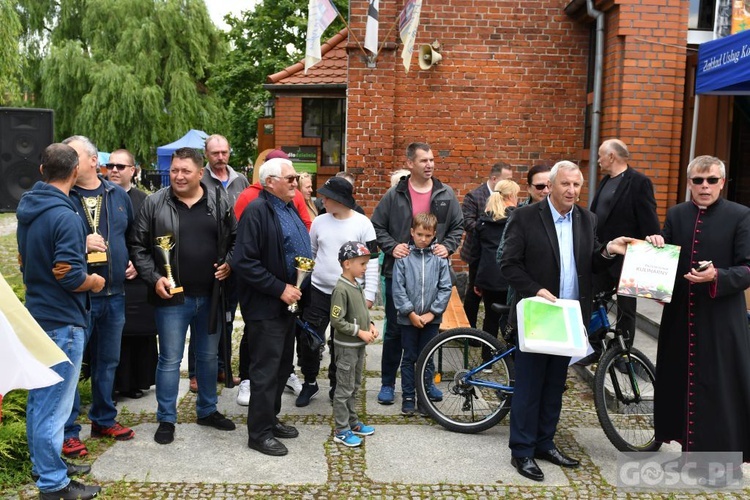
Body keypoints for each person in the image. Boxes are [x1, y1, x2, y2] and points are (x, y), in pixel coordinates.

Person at [500, 160, 630, 482]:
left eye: (577, 185)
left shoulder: (587, 219)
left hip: (571, 317)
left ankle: (544, 443)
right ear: (552, 186)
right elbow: (508, 263)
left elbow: (591, 263)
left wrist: (609, 251)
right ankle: (522, 451)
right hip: (539, 314)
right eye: (565, 184)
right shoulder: (526, 217)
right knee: (530, 385)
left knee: (555, 385)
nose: (572, 190)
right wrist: (535, 290)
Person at [646, 155, 750, 468]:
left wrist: (718, 275)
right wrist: (656, 244)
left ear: (722, 182)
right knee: (680, 382)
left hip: (720, 319)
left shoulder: (741, 215)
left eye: (712, 180)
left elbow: (747, 268)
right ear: (689, 182)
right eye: (698, 181)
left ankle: (720, 464)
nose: (705, 187)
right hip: (681, 316)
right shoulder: (677, 214)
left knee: (719, 389)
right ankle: (688, 454)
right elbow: (668, 251)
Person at [129, 147, 237, 445]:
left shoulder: (220, 200)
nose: (178, 176)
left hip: (211, 295)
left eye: (185, 171)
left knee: (208, 357)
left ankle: (207, 410)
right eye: (174, 170)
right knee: (169, 360)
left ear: (200, 173)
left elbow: (235, 239)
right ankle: (166, 418)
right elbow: (137, 247)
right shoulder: (154, 203)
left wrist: (229, 262)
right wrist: (153, 279)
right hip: (172, 298)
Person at [17, 143, 104, 500]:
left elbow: (26, 261)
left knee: (42, 403)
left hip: (37, 314)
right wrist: (95, 282)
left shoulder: (29, 209)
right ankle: (53, 484)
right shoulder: (65, 215)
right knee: (53, 408)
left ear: (41, 171)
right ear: (72, 174)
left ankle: (47, 464)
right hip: (62, 321)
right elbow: (68, 275)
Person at [371, 142, 464, 406]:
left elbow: (458, 226)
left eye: (432, 160)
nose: (430, 164)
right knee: (395, 333)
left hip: (431, 276)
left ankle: (426, 383)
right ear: (410, 163)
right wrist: (392, 246)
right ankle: (388, 383)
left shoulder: (445, 193)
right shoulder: (395, 194)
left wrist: (447, 247)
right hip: (398, 274)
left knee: (428, 334)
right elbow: (377, 226)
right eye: (424, 160)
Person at [232, 156, 312, 457]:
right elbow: (244, 261)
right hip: (267, 305)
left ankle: (270, 419)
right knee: (265, 370)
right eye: (290, 179)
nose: (296, 183)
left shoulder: (287, 206)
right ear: (270, 183)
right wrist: (280, 289)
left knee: (280, 367)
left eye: (295, 178)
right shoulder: (256, 210)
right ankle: (259, 433)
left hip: (288, 304)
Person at [62, 135, 135, 459]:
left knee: (108, 362)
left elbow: (131, 236)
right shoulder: (63, 196)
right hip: (79, 296)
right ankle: (67, 431)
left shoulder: (118, 195)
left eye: (73, 156)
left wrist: (132, 259)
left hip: (115, 293)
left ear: (93, 161)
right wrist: (81, 245)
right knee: (74, 366)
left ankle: (103, 419)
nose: (69, 162)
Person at [296, 177, 379, 407]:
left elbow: (372, 260)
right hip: (318, 292)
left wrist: (370, 294)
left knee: (342, 343)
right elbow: (311, 252)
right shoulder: (319, 222)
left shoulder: (363, 224)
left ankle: (337, 384)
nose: (321, 199)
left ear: (339, 200)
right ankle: (310, 382)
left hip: (350, 295)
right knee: (310, 339)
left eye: (326, 197)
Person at [583, 139, 660, 362]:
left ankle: (623, 356)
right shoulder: (605, 181)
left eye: (600, 155)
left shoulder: (639, 182)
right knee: (594, 301)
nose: (597, 160)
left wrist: (653, 241)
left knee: (626, 310)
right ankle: (595, 348)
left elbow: (648, 218)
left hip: (628, 258)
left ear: (612, 157)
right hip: (604, 254)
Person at [187, 134, 249, 392]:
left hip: (234, 259)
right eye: (215, 153)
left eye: (224, 152)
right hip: (207, 260)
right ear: (207, 155)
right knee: (201, 317)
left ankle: (221, 367)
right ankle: (196, 372)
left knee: (226, 317)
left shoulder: (240, 180)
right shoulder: (199, 180)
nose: (221, 157)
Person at [107, 149, 158, 400]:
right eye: (111, 165)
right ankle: (114, 383)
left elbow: (156, 238)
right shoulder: (100, 197)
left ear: (133, 170)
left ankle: (137, 380)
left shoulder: (145, 200)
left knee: (139, 331)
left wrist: (140, 264)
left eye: (120, 166)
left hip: (138, 277)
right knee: (113, 333)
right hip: (108, 276)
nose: (114, 170)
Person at [392, 213, 452, 415]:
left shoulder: (440, 259)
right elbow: (398, 288)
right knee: (409, 357)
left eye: (428, 235)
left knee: (427, 358)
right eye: (419, 234)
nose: (423, 239)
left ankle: (424, 396)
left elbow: (445, 288)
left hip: (431, 320)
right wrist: (410, 313)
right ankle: (408, 396)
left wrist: (432, 313)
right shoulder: (403, 257)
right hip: (408, 319)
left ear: (434, 234)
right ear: (412, 232)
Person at [330, 241, 379, 447]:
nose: (365, 268)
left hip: (357, 347)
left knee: (355, 385)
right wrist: (359, 332)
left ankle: (352, 422)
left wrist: (371, 324)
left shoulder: (356, 285)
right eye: (362, 264)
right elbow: (337, 321)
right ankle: (341, 430)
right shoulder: (341, 289)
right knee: (343, 389)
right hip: (346, 347)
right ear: (347, 263)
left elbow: (361, 313)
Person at [461, 162, 513, 328]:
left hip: (493, 255)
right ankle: (469, 329)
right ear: (494, 178)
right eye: (507, 179)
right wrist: (486, 229)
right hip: (478, 253)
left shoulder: (511, 205)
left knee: (493, 303)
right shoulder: (475, 196)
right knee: (473, 293)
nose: (509, 183)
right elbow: (467, 221)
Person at [473, 180, 519, 357]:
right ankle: (513, 357)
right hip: (508, 277)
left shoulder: (484, 221)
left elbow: (477, 254)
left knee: (490, 318)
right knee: (511, 318)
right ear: (510, 196)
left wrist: (477, 281)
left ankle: (487, 356)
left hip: (487, 277)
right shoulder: (515, 219)